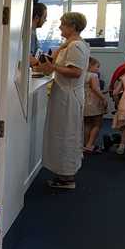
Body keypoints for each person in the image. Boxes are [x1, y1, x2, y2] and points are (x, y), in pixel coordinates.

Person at [38, 12, 90, 190]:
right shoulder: (70, 45)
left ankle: (67, 176)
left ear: (73, 26)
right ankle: (63, 173)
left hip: (69, 96)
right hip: (63, 94)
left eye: (63, 24)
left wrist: (53, 67)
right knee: (61, 133)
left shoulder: (76, 46)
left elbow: (75, 72)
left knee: (67, 134)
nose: (60, 27)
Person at [83, 57, 107, 154]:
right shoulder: (94, 76)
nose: (98, 69)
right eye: (97, 67)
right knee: (97, 124)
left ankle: (86, 144)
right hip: (93, 103)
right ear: (90, 66)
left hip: (84, 101)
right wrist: (103, 98)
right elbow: (95, 89)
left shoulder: (82, 75)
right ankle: (90, 145)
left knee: (87, 123)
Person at [28, 0, 47, 67]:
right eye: (44, 17)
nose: (45, 20)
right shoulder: (30, 35)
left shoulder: (33, 32)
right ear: (36, 18)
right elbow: (29, 59)